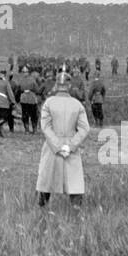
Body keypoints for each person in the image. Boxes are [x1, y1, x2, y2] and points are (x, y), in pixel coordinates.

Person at [35, 70, 90, 207]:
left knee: (46, 180)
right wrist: (70, 146)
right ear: (69, 86)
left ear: (56, 85)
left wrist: (58, 146)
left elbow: (46, 128)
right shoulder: (77, 104)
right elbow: (84, 129)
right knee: (75, 182)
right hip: (71, 147)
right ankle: (76, 211)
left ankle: (42, 208)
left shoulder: (48, 103)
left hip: (52, 147)